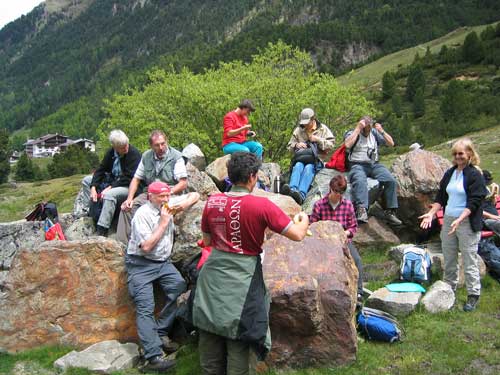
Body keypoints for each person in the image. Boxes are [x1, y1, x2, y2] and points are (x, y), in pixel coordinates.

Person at [193, 152, 309, 375]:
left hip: (212, 279)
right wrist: (303, 218)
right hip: (242, 280)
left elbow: (207, 242)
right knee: (240, 340)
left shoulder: (212, 201)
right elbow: (297, 234)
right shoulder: (262, 205)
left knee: (210, 339)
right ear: (253, 177)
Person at [419, 138, 487, 312]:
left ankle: (473, 295)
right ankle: (449, 288)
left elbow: (475, 201)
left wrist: (460, 218)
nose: (458, 157)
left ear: (469, 154)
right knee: (449, 256)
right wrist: (431, 213)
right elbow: (441, 197)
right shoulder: (450, 173)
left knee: (469, 258)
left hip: (467, 222)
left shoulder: (475, 175)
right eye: (455, 154)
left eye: (461, 154)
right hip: (449, 219)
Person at [125, 181, 187, 372]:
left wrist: (180, 204)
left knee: (179, 287)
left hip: (163, 264)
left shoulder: (167, 205)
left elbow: (194, 196)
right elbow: (146, 247)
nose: (166, 199)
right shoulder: (142, 215)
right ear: (150, 196)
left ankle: (160, 331)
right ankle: (153, 357)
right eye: (162, 196)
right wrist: (163, 221)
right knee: (145, 307)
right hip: (140, 265)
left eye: (168, 195)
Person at [116, 130, 200, 244]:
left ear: (167, 142)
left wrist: (167, 193)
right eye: (157, 145)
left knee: (158, 211)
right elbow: (136, 179)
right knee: (127, 209)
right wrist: (129, 198)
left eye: (163, 143)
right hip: (149, 193)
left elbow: (183, 183)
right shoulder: (146, 156)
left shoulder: (176, 157)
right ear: (151, 146)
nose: (161, 147)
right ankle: (125, 245)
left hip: (169, 193)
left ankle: (152, 243)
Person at [309, 175, 364, 304]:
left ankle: (359, 292)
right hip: (324, 243)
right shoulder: (319, 205)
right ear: (330, 189)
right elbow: (312, 226)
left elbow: (353, 226)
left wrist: (345, 233)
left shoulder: (348, 205)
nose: (337, 195)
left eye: (340, 192)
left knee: (357, 260)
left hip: (343, 241)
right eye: (335, 191)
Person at [78, 130, 141, 236]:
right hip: (113, 181)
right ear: (115, 147)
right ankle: (87, 211)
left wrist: (110, 187)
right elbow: (101, 169)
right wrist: (93, 187)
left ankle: (102, 228)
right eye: (122, 147)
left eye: (126, 145)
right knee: (86, 180)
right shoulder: (111, 152)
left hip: (127, 186)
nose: (126, 148)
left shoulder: (134, 154)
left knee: (109, 195)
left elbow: (129, 177)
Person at [345, 116, 402, 225]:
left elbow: (391, 143)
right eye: (366, 126)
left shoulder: (374, 133)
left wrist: (381, 131)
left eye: (369, 126)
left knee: (390, 180)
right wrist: (357, 128)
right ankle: (362, 210)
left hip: (374, 164)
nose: (367, 129)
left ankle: (390, 212)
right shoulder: (352, 133)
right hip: (357, 165)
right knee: (360, 181)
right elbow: (347, 144)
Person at [281, 108, 335, 205]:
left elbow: (331, 145)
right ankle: (292, 190)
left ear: (313, 119)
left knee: (309, 168)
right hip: (301, 158)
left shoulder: (323, 129)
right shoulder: (298, 130)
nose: (305, 125)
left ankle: (301, 195)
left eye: (307, 122)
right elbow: (289, 146)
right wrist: (296, 145)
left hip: (316, 160)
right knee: (298, 165)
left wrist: (318, 140)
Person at [481, 169, 500, 236]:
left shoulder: (487, 189)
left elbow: (492, 205)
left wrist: (494, 195)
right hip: (485, 220)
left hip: (495, 218)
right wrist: (493, 217)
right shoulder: (477, 191)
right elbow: (477, 210)